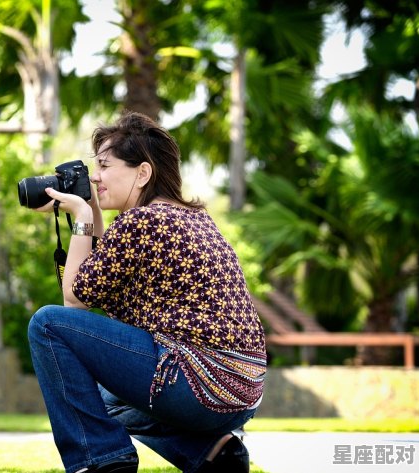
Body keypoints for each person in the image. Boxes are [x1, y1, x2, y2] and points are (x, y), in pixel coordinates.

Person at [27, 111, 267, 473]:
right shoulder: (188, 218)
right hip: (240, 390)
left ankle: (101, 460)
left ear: (142, 172)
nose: (95, 176)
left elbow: (74, 301)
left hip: (197, 383)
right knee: (101, 397)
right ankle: (213, 452)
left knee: (47, 324)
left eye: (105, 166)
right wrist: (89, 205)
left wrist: (81, 216)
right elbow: (105, 271)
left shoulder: (142, 221)